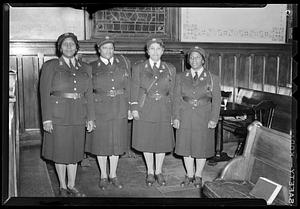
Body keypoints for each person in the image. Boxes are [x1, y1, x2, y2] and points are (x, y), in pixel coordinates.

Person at [40, 32, 95, 197]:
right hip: (59, 116)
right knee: (60, 151)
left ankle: (72, 184)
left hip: (79, 114)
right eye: (65, 44)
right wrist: (46, 119)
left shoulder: (85, 68)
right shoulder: (51, 66)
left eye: (72, 44)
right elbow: (44, 94)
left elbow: (89, 95)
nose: (69, 47)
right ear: (60, 48)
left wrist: (91, 117)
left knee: (75, 151)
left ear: (77, 47)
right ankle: (62, 186)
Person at [85, 36, 132, 190]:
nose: (108, 51)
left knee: (116, 143)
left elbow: (128, 88)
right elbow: (88, 93)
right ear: (99, 50)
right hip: (100, 109)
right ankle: (103, 176)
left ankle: (113, 174)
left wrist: (130, 107)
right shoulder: (91, 67)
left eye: (111, 48)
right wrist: (90, 115)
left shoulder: (122, 65)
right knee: (102, 144)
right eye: (105, 48)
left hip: (119, 107)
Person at [172, 46, 221, 188]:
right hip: (185, 114)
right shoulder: (181, 77)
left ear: (203, 60)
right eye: (191, 57)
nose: (194, 60)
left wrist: (213, 119)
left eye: (197, 57)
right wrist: (175, 117)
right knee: (185, 146)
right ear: (188, 60)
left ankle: (198, 175)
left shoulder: (212, 78)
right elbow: (176, 98)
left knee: (201, 146)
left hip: (204, 116)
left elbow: (216, 100)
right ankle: (189, 174)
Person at [131, 38, 176, 186]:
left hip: (164, 108)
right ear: (147, 51)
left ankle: (158, 171)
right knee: (147, 141)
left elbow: (174, 92)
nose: (155, 52)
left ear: (163, 51)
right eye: (152, 49)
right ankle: (150, 171)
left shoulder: (170, 68)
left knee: (162, 141)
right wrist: (134, 108)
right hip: (145, 108)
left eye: (158, 49)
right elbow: (134, 88)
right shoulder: (139, 68)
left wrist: (174, 113)